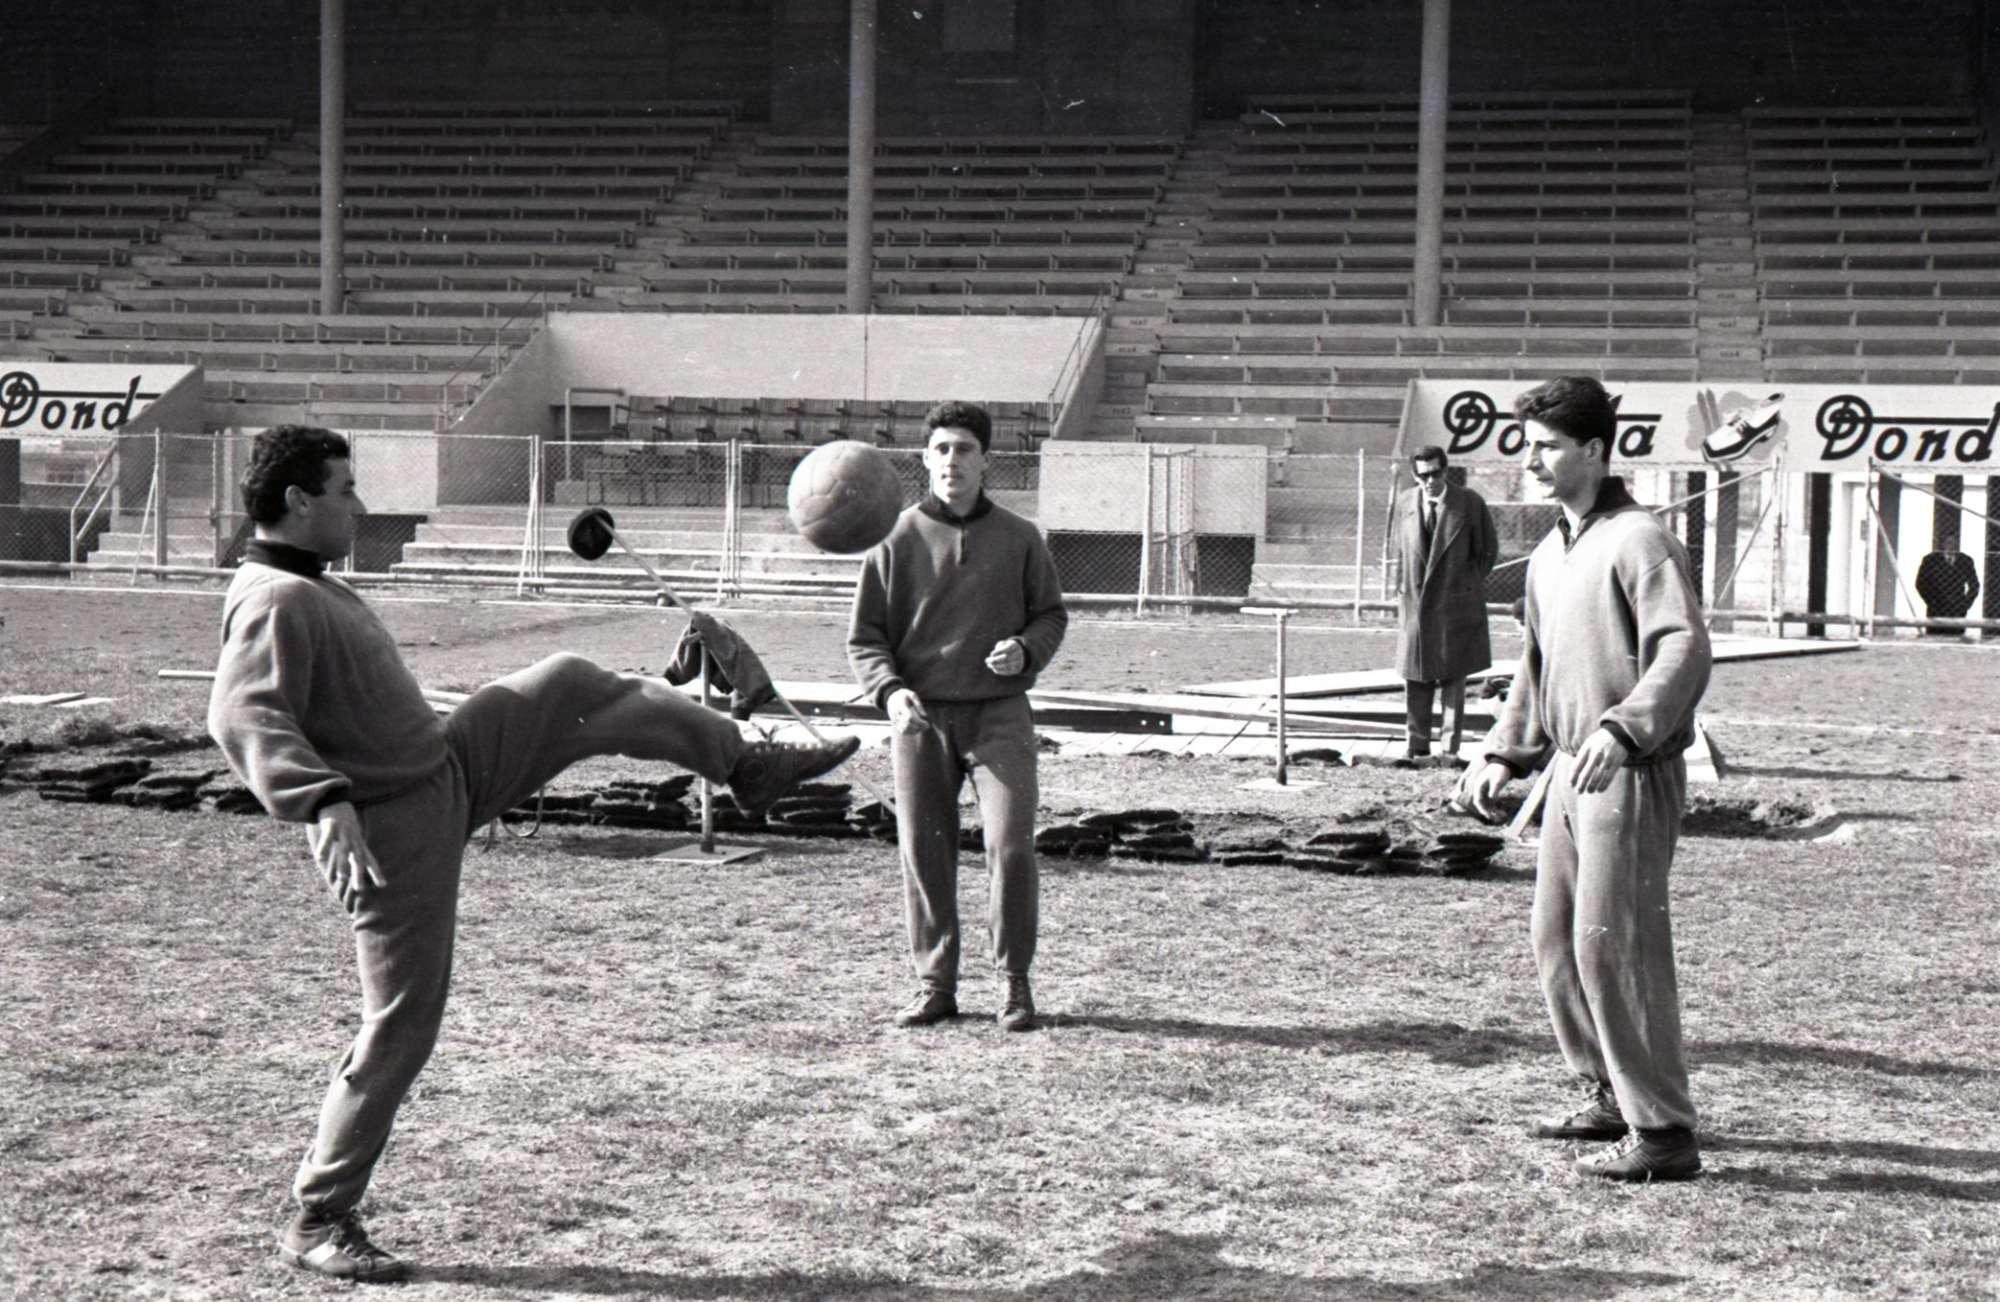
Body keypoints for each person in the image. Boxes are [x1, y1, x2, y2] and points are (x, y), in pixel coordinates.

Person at [207, 426, 859, 1281]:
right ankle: (319, 1216)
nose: (359, 506)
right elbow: (241, 713)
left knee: (567, 682)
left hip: (446, 766)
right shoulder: (274, 598)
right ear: (298, 501)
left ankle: (747, 766)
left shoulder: (311, 584)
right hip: (391, 829)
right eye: (345, 489)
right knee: (402, 1023)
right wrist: (322, 803)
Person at [1455, 377, 1713, 1183]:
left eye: (1548, 447)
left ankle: (1663, 1130)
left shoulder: (1640, 540)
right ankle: (1608, 1094)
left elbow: (1684, 650)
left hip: (1628, 766)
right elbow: (1536, 668)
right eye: (1526, 445)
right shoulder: (1549, 554)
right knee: (1558, 940)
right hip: (1569, 769)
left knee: (1615, 947)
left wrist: (1624, 727)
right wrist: (1505, 752)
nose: (1531, 461)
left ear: (1596, 451)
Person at [847, 400, 1068, 1033]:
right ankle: (935, 984)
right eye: (941, 449)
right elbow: (865, 638)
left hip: (999, 716)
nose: (952, 460)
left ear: (985, 460)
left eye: (965, 449)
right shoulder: (893, 538)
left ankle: (1013, 980)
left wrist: (1025, 648)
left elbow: (1051, 615)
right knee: (924, 850)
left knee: (1010, 845)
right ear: (925, 459)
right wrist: (890, 692)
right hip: (920, 719)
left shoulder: (1021, 538)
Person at [1393, 443, 1499, 760]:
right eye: (1423, 475)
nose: (1430, 481)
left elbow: (1487, 552)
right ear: (1415, 475)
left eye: (1436, 473)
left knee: (1454, 676)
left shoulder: (1469, 503)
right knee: (1416, 674)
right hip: (1415, 603)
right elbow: (1400, 551)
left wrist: (1462, 586)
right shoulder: (1405, 502)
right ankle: (1416, 745)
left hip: (1455, 604)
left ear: (1446, 470)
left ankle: (1449, 749)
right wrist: (1404, 590)